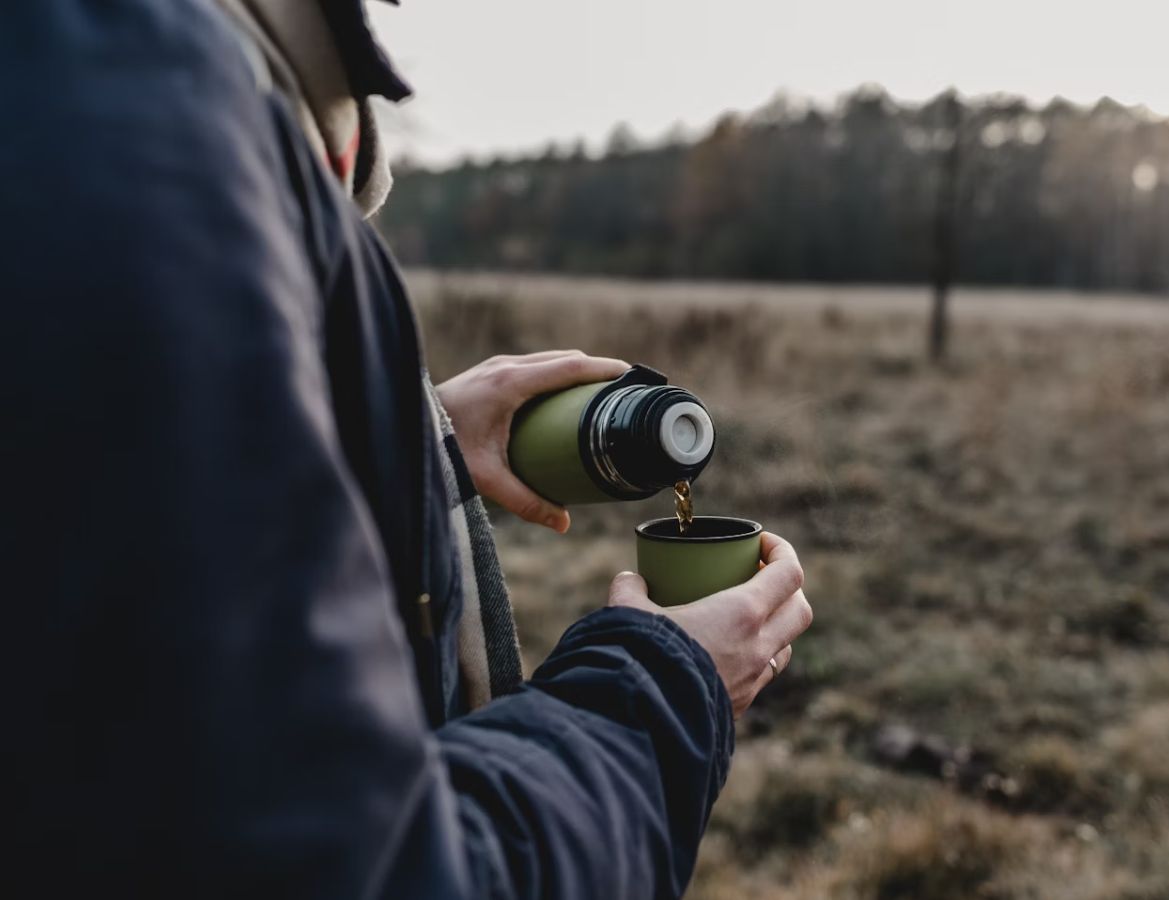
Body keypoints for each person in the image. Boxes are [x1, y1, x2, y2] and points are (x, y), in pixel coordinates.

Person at [0, 1, 813, 897]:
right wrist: (664, 689)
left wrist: (410, 440)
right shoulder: (135, 98)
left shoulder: (182, 76)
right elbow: (343, 868)